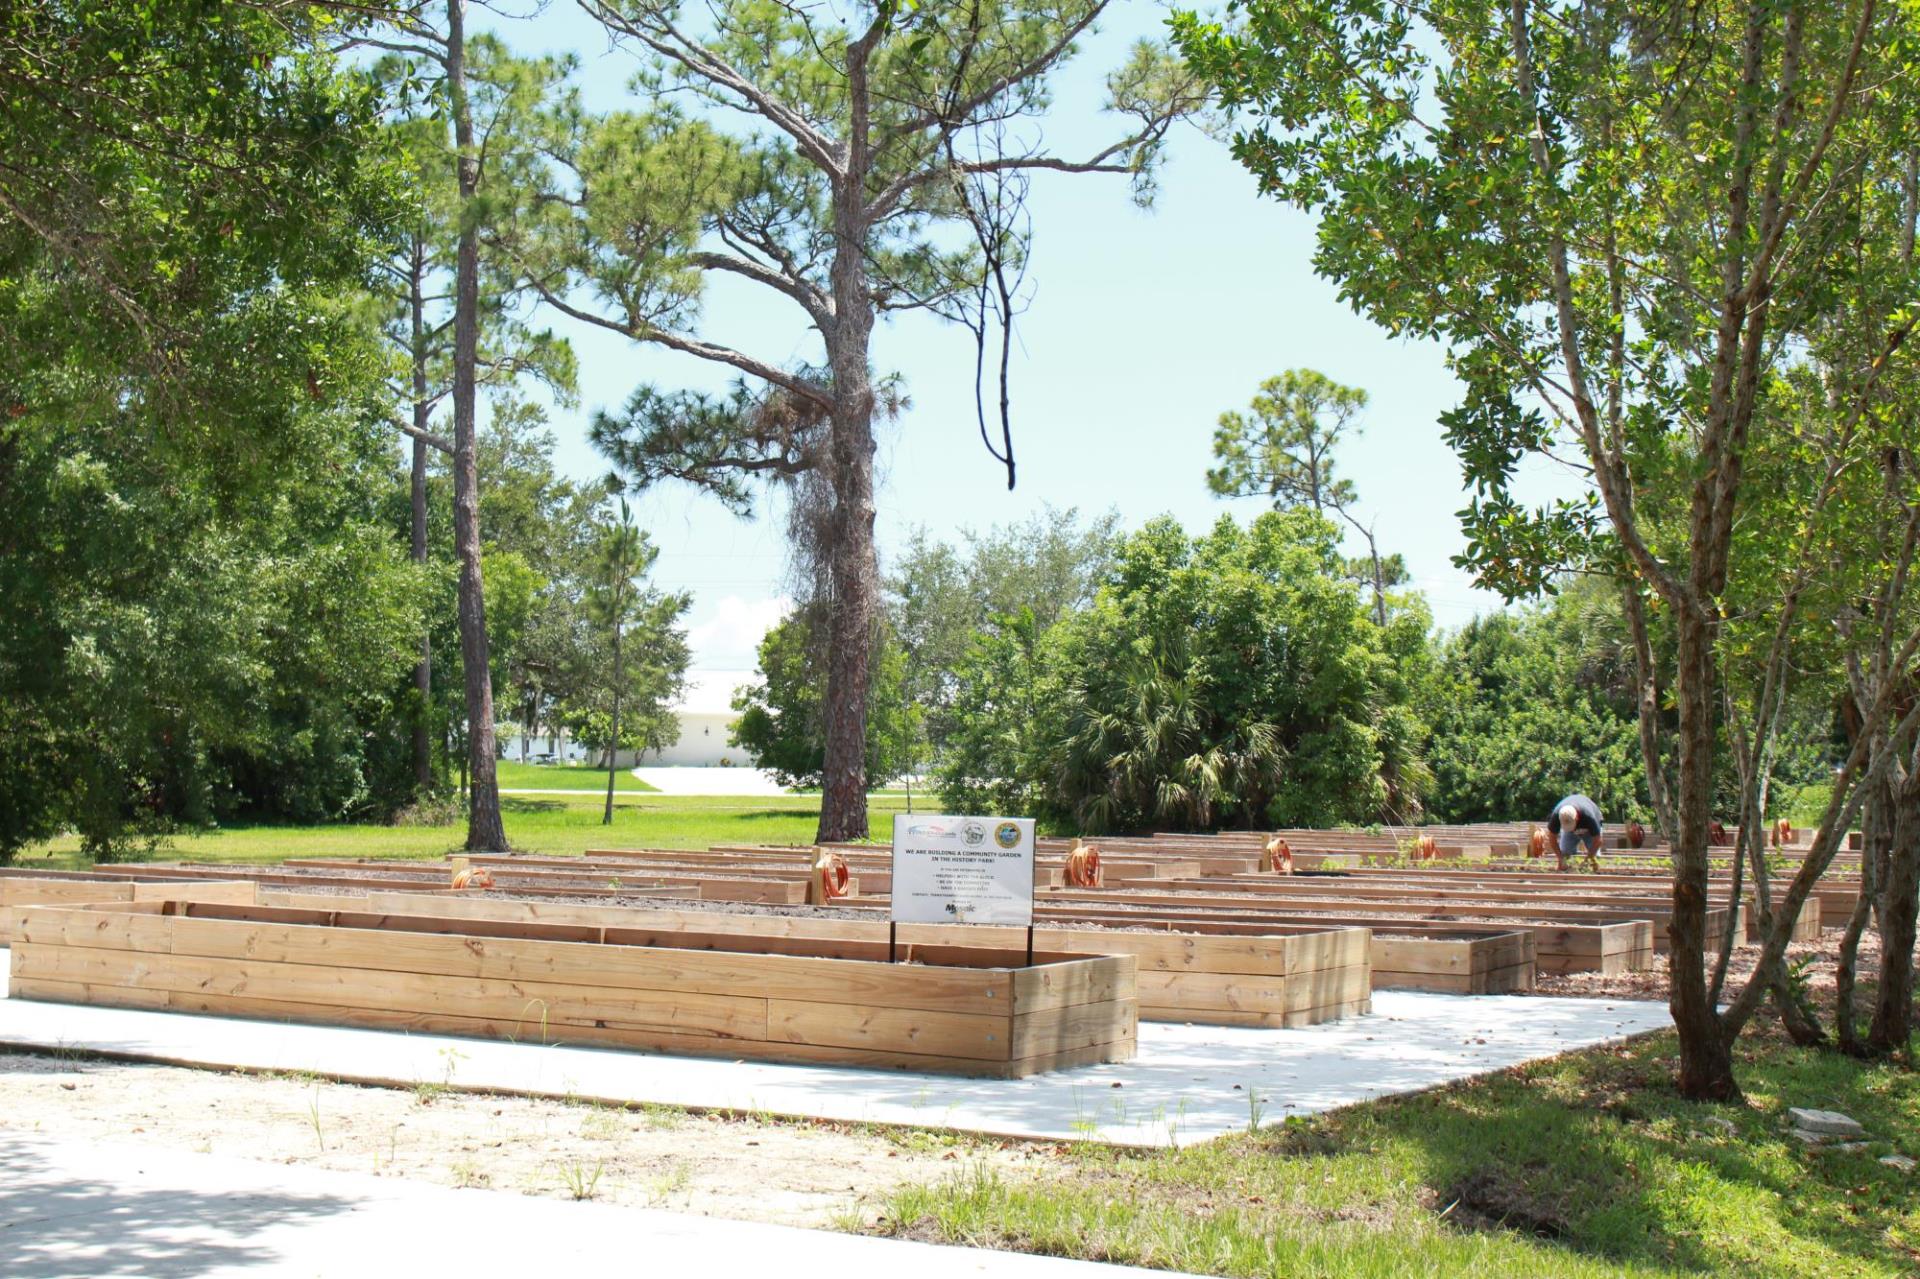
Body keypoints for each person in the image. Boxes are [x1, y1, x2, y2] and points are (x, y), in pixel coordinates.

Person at [1548, 793, 1603, 871]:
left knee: (1595, 857)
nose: (1572, 829)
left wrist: (1587, 860)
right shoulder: (1556, 815)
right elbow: (1552, 839)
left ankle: (1594, 874)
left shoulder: (1589, 816)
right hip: (1571, 832)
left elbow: (1598, 841)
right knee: (1565, 853)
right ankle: (1568, 870)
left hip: (1589, 830)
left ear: (1576, 817)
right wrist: (1560, 858)